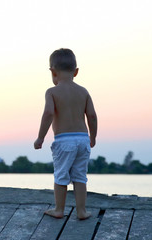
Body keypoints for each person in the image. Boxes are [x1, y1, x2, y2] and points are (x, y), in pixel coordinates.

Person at [34, 48, 97, 220]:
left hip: (64, 140)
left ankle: (59, 209)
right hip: (83, 139)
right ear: (76, 72)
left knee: (61, 175)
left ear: (52, 72)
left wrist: (40, 137)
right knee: (80, 176)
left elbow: (48, 114)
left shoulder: (52, 92)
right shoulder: (83, 92)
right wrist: (93, 136)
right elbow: (91, 115)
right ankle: (82, 211)